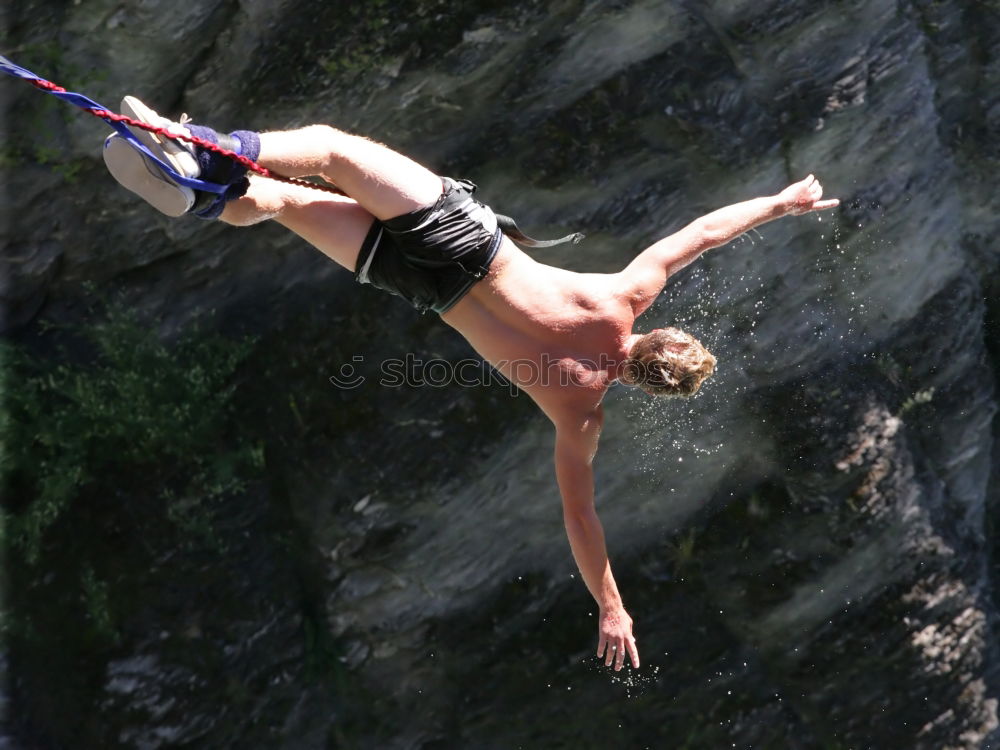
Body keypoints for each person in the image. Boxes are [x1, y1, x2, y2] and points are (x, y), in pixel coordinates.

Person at [102, 96, 839, 672]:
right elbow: (582, 521)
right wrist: (612, 607)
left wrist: (780, 204)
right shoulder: (579, 412)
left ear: (661, 335)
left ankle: (192, 145)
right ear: (649, 387)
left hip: (463, 240)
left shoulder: (624, 295)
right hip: (422, 288)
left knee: (330, 149)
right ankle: (198, 193)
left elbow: (704, 232)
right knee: (283, 203)